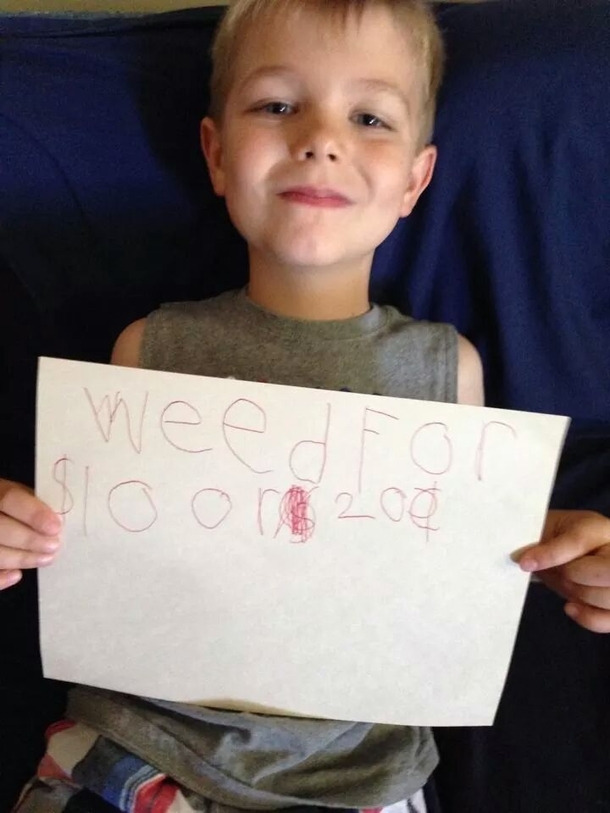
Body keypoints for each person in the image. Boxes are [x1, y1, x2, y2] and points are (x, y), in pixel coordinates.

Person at [3, 0, 610, 811]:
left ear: (415, 180)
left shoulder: (446, 368)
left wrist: (564, 552)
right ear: (217, 156)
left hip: (358, 777)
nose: (321, 138)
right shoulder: (147, 349)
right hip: (137, 754)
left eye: (368, 117)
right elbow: (80, 543)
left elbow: (468, 554)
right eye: (278, 105)